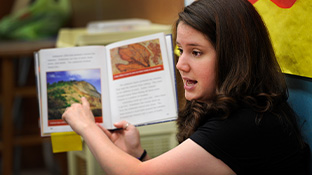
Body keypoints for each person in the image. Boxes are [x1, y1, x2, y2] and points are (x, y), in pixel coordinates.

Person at [62, 0, 310, 174]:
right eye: (181, 50)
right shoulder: (233, 110)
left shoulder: (245, 123)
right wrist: (137, 153)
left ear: (233, 57)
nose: (181, 64)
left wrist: (86, 126)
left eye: (196, 52)